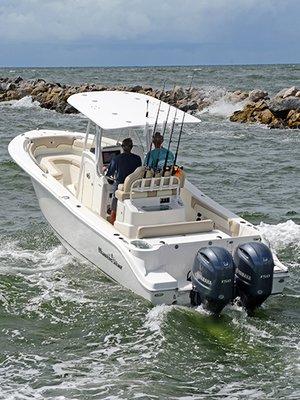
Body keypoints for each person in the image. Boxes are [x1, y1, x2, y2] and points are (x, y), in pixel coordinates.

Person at [105, 138, 141, 224]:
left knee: (114, 196)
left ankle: (112, 217)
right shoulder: (138, 158)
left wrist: (105, 168)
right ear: (132, 147)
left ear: (122, 147)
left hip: (121, 185)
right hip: (133, 185)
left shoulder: (116, 159)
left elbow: (109, 173)